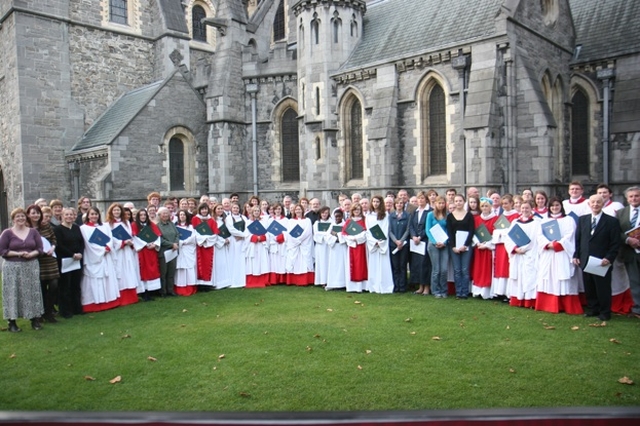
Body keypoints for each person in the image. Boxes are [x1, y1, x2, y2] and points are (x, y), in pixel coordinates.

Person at [573, 194, 621, 321]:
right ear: (589, 204)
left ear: (603, 203)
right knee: (589, 287)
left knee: (603, 288)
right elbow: (578, 239)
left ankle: (605, 312)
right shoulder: (582, 219)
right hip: (586, 260)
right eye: (593, 202)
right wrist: (576, 255)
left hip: (602, 261)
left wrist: (609, 258)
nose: (595, 204)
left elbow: (615, 243)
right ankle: (593, 309)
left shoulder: (612, 221)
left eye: (598, 202)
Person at [535, 197, 582, 314]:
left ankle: (566, 305)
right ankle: (548, 304)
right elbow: (539, 236)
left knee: (563, 276)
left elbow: (570, 235)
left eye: (557, 205)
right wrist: (547, 244)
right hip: (548, 253)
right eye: (552, 206)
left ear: (561, 206)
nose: (555, 208)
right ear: (549, 208)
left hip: (562, 253)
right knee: (549, 276)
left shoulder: (568, 220)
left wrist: (558, 244)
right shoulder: (544, 220)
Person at [0, 208, 45, 332]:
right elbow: (2, 250)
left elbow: (40, 248)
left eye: (22, 216)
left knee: (33, 292)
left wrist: (32, 254)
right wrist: (18, 253)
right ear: (13, 219)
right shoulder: (7, 233)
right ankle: (12, 322)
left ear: (26, 218)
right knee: (12, 294)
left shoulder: (33, 232)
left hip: (31, 266)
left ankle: (35, 320)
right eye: (17, 217)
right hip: (12, 268)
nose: (20, 218)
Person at [79, 207, 121, 313]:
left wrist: (108, 247)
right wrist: (102, 250)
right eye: (92, 214)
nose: (94, 216)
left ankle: (110, 301)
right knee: (94, 279)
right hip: (94, 257)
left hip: (106, 257)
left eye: (96, 214)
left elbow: (110, 238)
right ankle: (94, 303)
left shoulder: (105, 226)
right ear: (88, 215)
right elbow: (88, 244)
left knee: (108, 279)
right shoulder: (83, 228)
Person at [27, 205, 60, 323]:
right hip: (36, 260)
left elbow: (53, 239)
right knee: (40, 287)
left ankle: (49, 311)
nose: (36, 215)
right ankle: (40, 312)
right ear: (28, 215)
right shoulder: (26, 228)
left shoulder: (46, 226)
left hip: (50, 259)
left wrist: (53, 247)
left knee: (54, 285)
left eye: (38, 213)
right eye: (33, 213)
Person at [504, 200, 539, 308]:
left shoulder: (536, 222)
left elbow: (535, 239)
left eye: (527, 208)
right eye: (523, 208)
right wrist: (515, 249)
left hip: (529, 254)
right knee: (517, 277)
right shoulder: (515, 222)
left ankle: (529, 301)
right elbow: (508, 238)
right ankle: (517, 300)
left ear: (531, 208)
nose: (524, 210)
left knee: (530, 277)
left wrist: (524, 248)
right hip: (517, 254)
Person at [106, 203, 139, 306]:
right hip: (118, 251)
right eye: (115, 210)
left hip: (127, 251)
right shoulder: (108, 224)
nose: (117, 212)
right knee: (119, 272)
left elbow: (130, 235)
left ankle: (131, 297)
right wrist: (122, 243)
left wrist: (129, 241)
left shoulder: (126, 223)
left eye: (118, 210)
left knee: (128, 271)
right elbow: (110, 238)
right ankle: (120, 297)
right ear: (111, 212)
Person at [54, 207, 85, 318]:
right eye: (66, 215)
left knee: (75, 285)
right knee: (65, 286)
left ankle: (77, 308)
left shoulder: (76, 228)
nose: (69, 217)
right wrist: (72, 254)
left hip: (77, 261)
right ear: (62, 216)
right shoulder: (58, 229)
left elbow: (81, 242)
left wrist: (80, 253)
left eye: (71, 215)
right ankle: (66, 311)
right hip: (65, 261)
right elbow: (59, 245)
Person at [618, 186, 640, 319]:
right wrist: (627, 239)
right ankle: (637, 308)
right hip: (629, 251)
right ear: (627, 199)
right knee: (634, 281)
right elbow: (617, 231)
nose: (634, 198)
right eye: (631, 196)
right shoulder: (621, 213)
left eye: (636, 196)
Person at [491, 194, 519, 300]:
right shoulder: (500, 217)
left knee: (507, 268)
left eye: (506, 203)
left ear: (512, 203)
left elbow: (513, 231)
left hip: (509, 245)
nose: (504, 206)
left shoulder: (516, 216)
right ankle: (499, 291)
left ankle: (508, 293)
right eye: (503, 204)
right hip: (500, 245)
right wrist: (500, 232)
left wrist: (502, 232)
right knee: (500, 267)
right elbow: (495, 231)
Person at [447, 194, 475, 299]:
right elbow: (449, 232)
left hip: (466, 246)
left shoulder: (469, 215)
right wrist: (453, 246)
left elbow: (471, 231)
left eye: (460, 201)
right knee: (457, 270)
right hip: (454, 247)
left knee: (465, 269)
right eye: (456, 201)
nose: (458, 203)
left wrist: (465, 245)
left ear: (464, 202)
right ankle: (458, 292)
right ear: (454, 202)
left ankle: (465, 292)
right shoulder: (450, 216)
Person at [131, 208, 162, 301]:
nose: (143, 217)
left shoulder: (151, 224)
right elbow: (135, 237)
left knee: (151, 270)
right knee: (142, 270)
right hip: (141, 251)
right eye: (141, 215)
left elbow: (158, 236)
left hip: (151, 251)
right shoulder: (134, 225)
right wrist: (145, 244)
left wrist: (155, 244)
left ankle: (150, 291)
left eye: (144, 215)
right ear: (138, 216)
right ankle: (143, 292)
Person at [366, 195, 393, 294]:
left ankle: (385, 286)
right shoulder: (369, 215)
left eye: (377, 202)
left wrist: (380, 241)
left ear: (380, 203)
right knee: (373, 265)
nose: (375, 203)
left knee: (384, 265)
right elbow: (368, 230)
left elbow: (386, 228)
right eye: (374, 201)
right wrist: (374, 241)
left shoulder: (385, 214)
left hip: (382, 243)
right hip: (373, 243)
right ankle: (373, 286)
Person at [471, 199, 497, 299]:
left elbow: (496, 233)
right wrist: (478, 243)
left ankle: (487, 292)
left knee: (487, 269)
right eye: (482, 206)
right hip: (479, 247)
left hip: (488, 248)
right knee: (478, 269)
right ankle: (477, 291)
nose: (484, 208)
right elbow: (473, 232)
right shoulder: (477, 219)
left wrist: (487, 244)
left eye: (486, 206)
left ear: (490, 207)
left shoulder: (495, 219)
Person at [191, 203, 219, 291]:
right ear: (199, 210)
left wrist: (206, 239)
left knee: (208, 264)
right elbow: (193, 231)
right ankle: (199, 284)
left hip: (209, 245)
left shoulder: (212, 220)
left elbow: (215, 234)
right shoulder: (195, 219)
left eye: (206, 209)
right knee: (199, 264)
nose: (204, 211)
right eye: (202, 209)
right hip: (199, 245)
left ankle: (208, 284)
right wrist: (202, 239)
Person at [285, 204, 315, 285]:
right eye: (296, 209)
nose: (298, 211)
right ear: (294, 211)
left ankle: (305, 280)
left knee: (305, 261)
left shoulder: (307, 220)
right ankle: (293, 280)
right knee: (293, 261)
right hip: (294, 245)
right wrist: (296, 241)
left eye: (299, 209)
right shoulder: (291, 221)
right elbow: (289, 233)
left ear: (302, 210)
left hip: (304, 244)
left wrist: (299, 240)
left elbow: (308, 233)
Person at [409, 191, 432, 295]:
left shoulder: (430, 211)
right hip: (415, 242)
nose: (420, 200)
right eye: (419, 198)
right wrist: (414, 236)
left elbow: (429, 226)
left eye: (422, 198)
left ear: (426, 199)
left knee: (425, 264)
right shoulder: (415, 211)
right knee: (417, 264)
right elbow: (411, 225)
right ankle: (420, 286)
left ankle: (427, 287)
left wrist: (420, 236)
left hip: (425, 240)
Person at [426, 196, 449, 298]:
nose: (441, 205)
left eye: (442, 203)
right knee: (436, 269)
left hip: (444, 244)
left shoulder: (447, 215)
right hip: (433, 244)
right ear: (435, 204)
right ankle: (435, 290)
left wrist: (445, 241)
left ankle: (443, 290)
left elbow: (449, 230)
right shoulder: (430, 215)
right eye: (439, 203)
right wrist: (435, 242)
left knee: (444, 269)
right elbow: (427, 230)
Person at [343, 203, 368, 293]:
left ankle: (363, 286)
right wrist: (351, 238)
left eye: (358, 209)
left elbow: (366, 232)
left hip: (361, 246)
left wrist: (357, 238)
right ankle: (353, 287)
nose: (357, 211)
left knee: (362, 265)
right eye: (355, 210)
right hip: (352, 246)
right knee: (352, 266)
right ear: (352, 211)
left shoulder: (364, 220)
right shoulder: (349, 221)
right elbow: (344, 234)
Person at [245, 206, 271, 288]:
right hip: (253, 245)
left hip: (262, 245)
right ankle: (252, 281)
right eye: (255, 211)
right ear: (252, 212)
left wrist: (262, 237)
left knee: (262, 262)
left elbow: (268, 233)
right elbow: (246, 234)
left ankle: (263, 280)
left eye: (258, 211)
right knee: (253, 263)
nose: (256, 212)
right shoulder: (248, 222)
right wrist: (254, 237)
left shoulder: (264, 222)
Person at [156, 206, 179, 297]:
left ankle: (170, 290)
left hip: (173, 251)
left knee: (171, 272)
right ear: (159, 215)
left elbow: (177, 234)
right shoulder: (157, 226)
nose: (166, 215)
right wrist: (171, 244)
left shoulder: (172, 224)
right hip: (164, 252)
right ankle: (163, 291)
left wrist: (176, 243)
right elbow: (160, 239)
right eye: (164, 213)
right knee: (163, 272)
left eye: (167, 213)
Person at [389, 198, 410, 293]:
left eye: (401, 203)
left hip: (404, 245)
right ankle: (395, 286)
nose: (399, 205)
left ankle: (403, 286)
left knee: (402, 265)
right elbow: (389, 231)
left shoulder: (408, 215)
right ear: (395, 204)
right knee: (395, 266)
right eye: (397, 203)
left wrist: (401, 241)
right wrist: (395, 241)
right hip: (393, 245)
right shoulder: (391, 216)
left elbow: (408, 229)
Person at [174, 209, 197, 296]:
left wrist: (184, 242)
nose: (182, 216)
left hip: (188, 248)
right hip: (179, 249)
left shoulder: (191, 227)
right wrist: (179, 242)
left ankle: (190, 287)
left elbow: (193, 237)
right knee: (181, 269)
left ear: (186, 216)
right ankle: (181, 288)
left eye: (183, 215)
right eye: (180, 215)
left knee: (189, 267)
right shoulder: (175, 227)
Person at [226, 202, 248, 288]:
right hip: (233, 241)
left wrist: (243, 236)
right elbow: (231, 229)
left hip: (242, 241)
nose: (235, 209)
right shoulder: (228, 218)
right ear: (231, 209)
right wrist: (241, 235)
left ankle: (242, 281)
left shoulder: (244, 218)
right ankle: (234, 281)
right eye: (234, 208)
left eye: (237, 208)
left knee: (242, 261)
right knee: (234, 260)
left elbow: (247, 228)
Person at [326, 209, 349, 290]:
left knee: (342, 266)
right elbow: (327, 236)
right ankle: (333, 283)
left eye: (339, 216)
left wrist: (336, 234)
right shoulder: (331, 225)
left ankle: (343, 284)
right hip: (334, 247)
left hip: (342, 248)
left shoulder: (345, 225)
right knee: (334, 266)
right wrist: (336, 238)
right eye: (336, 216)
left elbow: (346, 236)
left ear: (342, 216)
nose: (337, 218)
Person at [212, 203, 232, 289]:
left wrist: (228, 239)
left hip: (224, 245)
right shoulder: (212, 221)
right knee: (218, 264)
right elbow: (213, 234)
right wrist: (222, 241)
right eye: (218, 209)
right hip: (217, 245)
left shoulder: (225, 220)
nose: (220, 210)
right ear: (214, 210)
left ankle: (225, 282)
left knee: (224, 263)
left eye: (221, 209)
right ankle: (218, 283)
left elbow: (229, 232)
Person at [268, 203, 288, 285]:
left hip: (283, 243)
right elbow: (268, 232)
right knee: (274, 261)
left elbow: (288, 232)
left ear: (281, 210)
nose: (277, 211)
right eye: (276, 209)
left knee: (282, 261)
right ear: (274, 210)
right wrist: (275, 238)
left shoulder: (286, 220)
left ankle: (282, 279)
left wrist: (281, 237)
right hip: (274, 243)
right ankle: (274, 280)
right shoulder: (270, 220)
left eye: (279, 209)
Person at [313, 206, 332, 286]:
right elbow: (316, 234)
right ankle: (322, 281)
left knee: (329, 262)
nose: (324, 215)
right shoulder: (316, 223)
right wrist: (326, 235)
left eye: (326, 213)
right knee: (321, 263)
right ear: (320, 214)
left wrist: (325, 235)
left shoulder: (332, 222)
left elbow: (332, 232)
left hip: (329, 245)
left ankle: (329, 280)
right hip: (320, 246)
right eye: (323, 213)